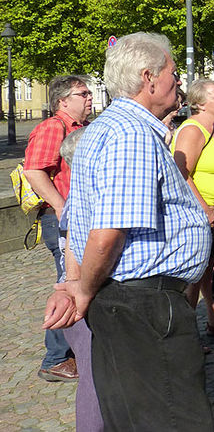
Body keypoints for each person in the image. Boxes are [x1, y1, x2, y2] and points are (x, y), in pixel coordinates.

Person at [64, 32, 213, 430]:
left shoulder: (108, 127)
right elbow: (107, 232)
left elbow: (78, 221)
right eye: (174, 73)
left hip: (130, 302)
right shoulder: (130, 134)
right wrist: (82, 288)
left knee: (136, 417)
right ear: (149, 78)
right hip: (143, 304)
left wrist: (79, 283)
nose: (179, 82)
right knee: (171, 417)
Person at [24, 74, 92, 382]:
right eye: (82, 93)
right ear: (62, 101)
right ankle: (55, 358)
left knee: (74, 280)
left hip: (74, 218)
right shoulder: (54, 127)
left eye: (90, 92)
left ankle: (76, 350)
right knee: (67, 284)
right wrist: (62, 205)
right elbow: (34, 171)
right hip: (60, 218)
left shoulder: (81, 128)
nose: (89, 97)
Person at [42, 127, 104, 432]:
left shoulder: (80, 198)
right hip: (87, 297)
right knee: (95, 382)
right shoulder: (85, 200)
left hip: (81, 291)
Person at [171, 78, 214, 337]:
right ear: (199, 103)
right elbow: (180, 170)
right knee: (195, 273)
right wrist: (205, 208)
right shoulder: (193, 130)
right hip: (204, 213)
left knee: (208, 270)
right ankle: (185, 337)